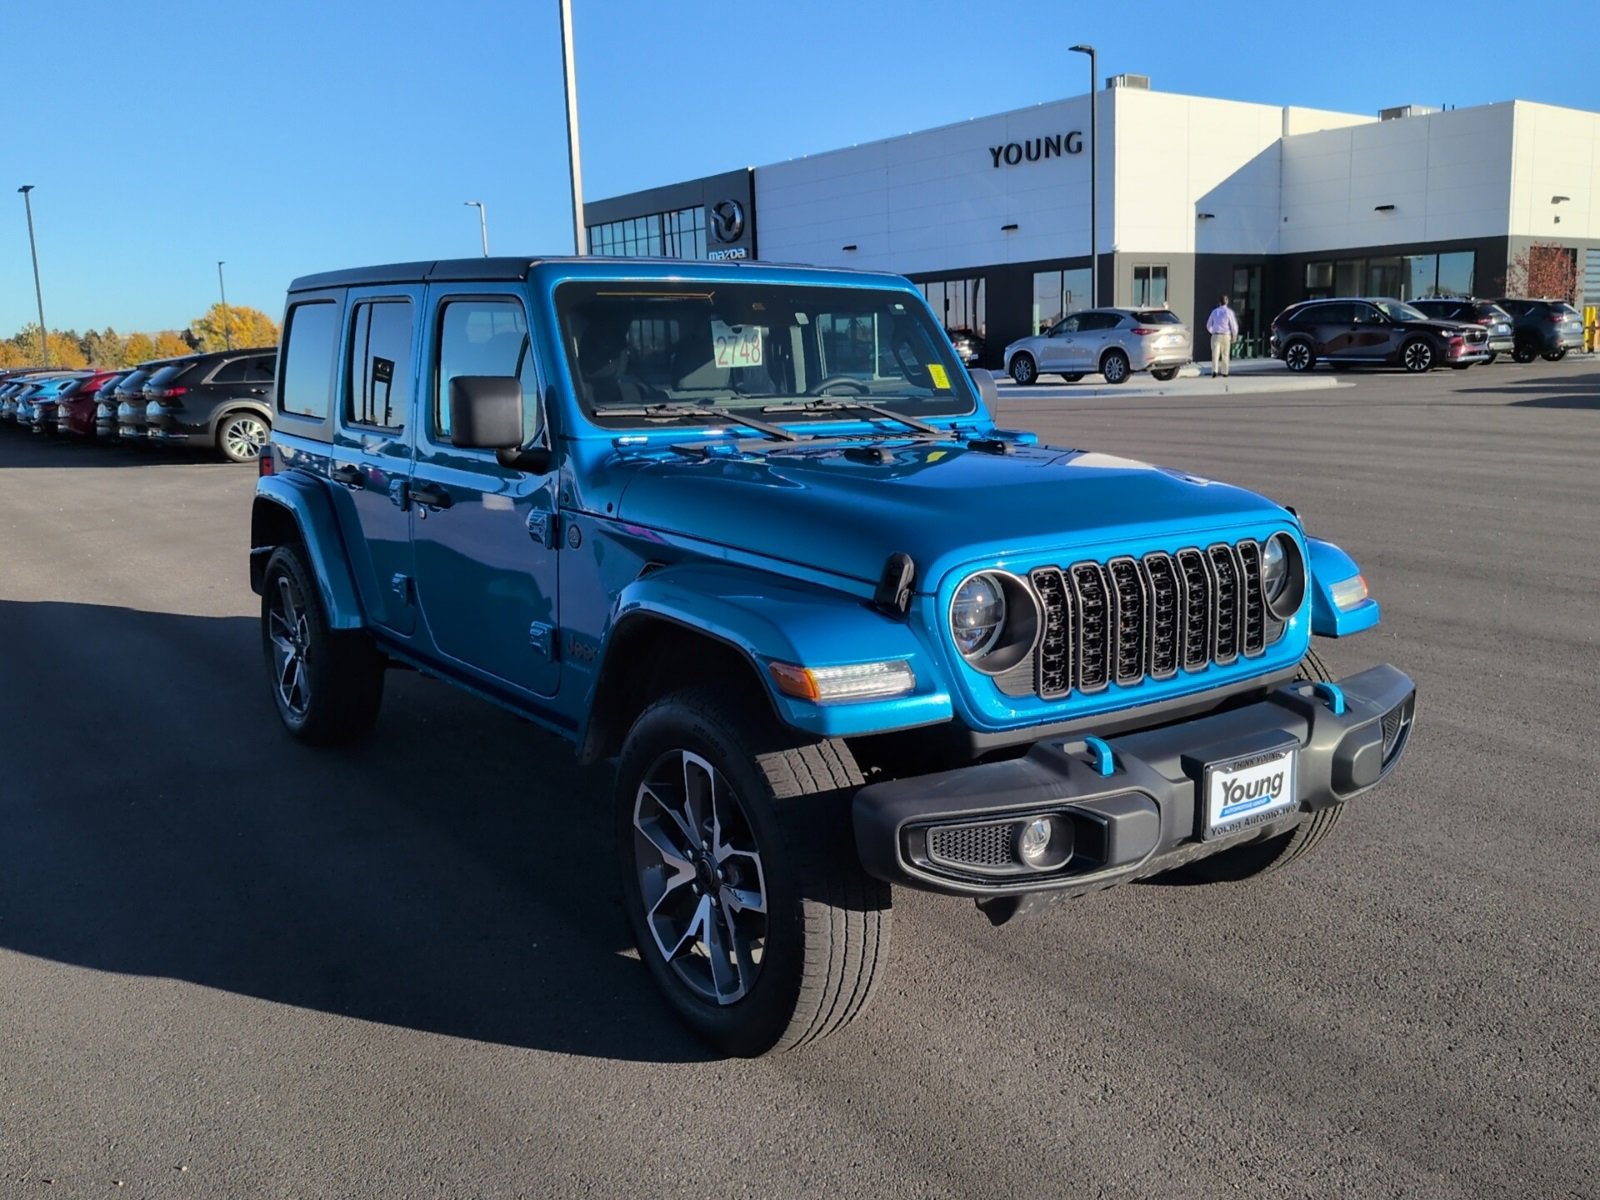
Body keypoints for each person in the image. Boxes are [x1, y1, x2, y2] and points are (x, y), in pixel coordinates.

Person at [1206, 295, 1240, 377]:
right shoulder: (1229, 312)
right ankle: (1224, 372)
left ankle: (1214, 371)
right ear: (1227, 302)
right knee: (1225, 354)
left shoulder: (1214, 311)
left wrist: (1212, 332)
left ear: (1219, 302)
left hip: (1216, 335)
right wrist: (1234, 336)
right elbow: (1234, 325)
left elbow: (1208, 325)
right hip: (1226, 335)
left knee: (1215, 354)